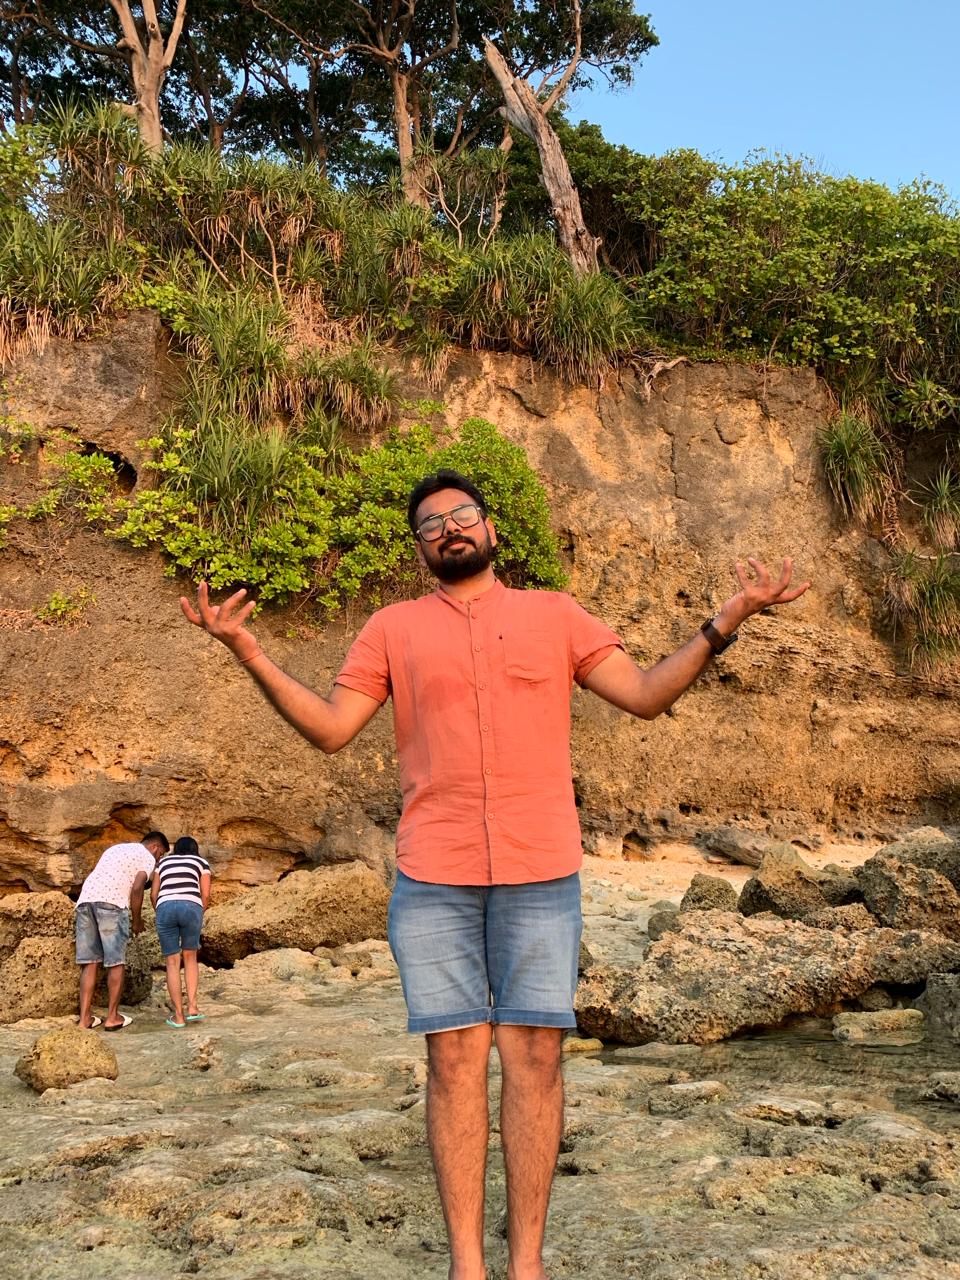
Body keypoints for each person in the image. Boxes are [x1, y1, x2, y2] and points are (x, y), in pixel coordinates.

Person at [180, 469, 809, 1280]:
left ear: (491, 530)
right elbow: (333, 729)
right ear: (420, 550)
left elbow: (647, 694)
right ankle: (467, 1267)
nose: (449, 529)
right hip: (432, 875)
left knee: (537, 1059)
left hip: (540, 869)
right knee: (452, 1064)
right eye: (431, 524)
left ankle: (527, 1266)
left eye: (462, 515)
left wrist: (725, 622)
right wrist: (249, 650)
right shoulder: (392, 628)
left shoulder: (556, 615)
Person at [75, 831, 169, 1031]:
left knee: (89, 963)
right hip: (112, 904)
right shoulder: (146, 856)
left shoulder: (114, 849)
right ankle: (112, 1017)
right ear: (155, 847)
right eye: (160, 854)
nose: (158, 860)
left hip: (85, 902)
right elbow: (137, 887)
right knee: (116, 962)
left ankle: (84, 1020)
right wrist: (137, 920)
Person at [151, 834, 212, 1028]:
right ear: (195, 850)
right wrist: (199, 911)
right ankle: (192, 1007)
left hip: (165, 907)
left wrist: (160, 910)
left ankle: (178, 1016)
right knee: (190, 956)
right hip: (191, 906)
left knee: (172, 962)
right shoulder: (201, 862)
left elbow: (153, 893)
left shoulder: (163, 863)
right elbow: (206, 894)